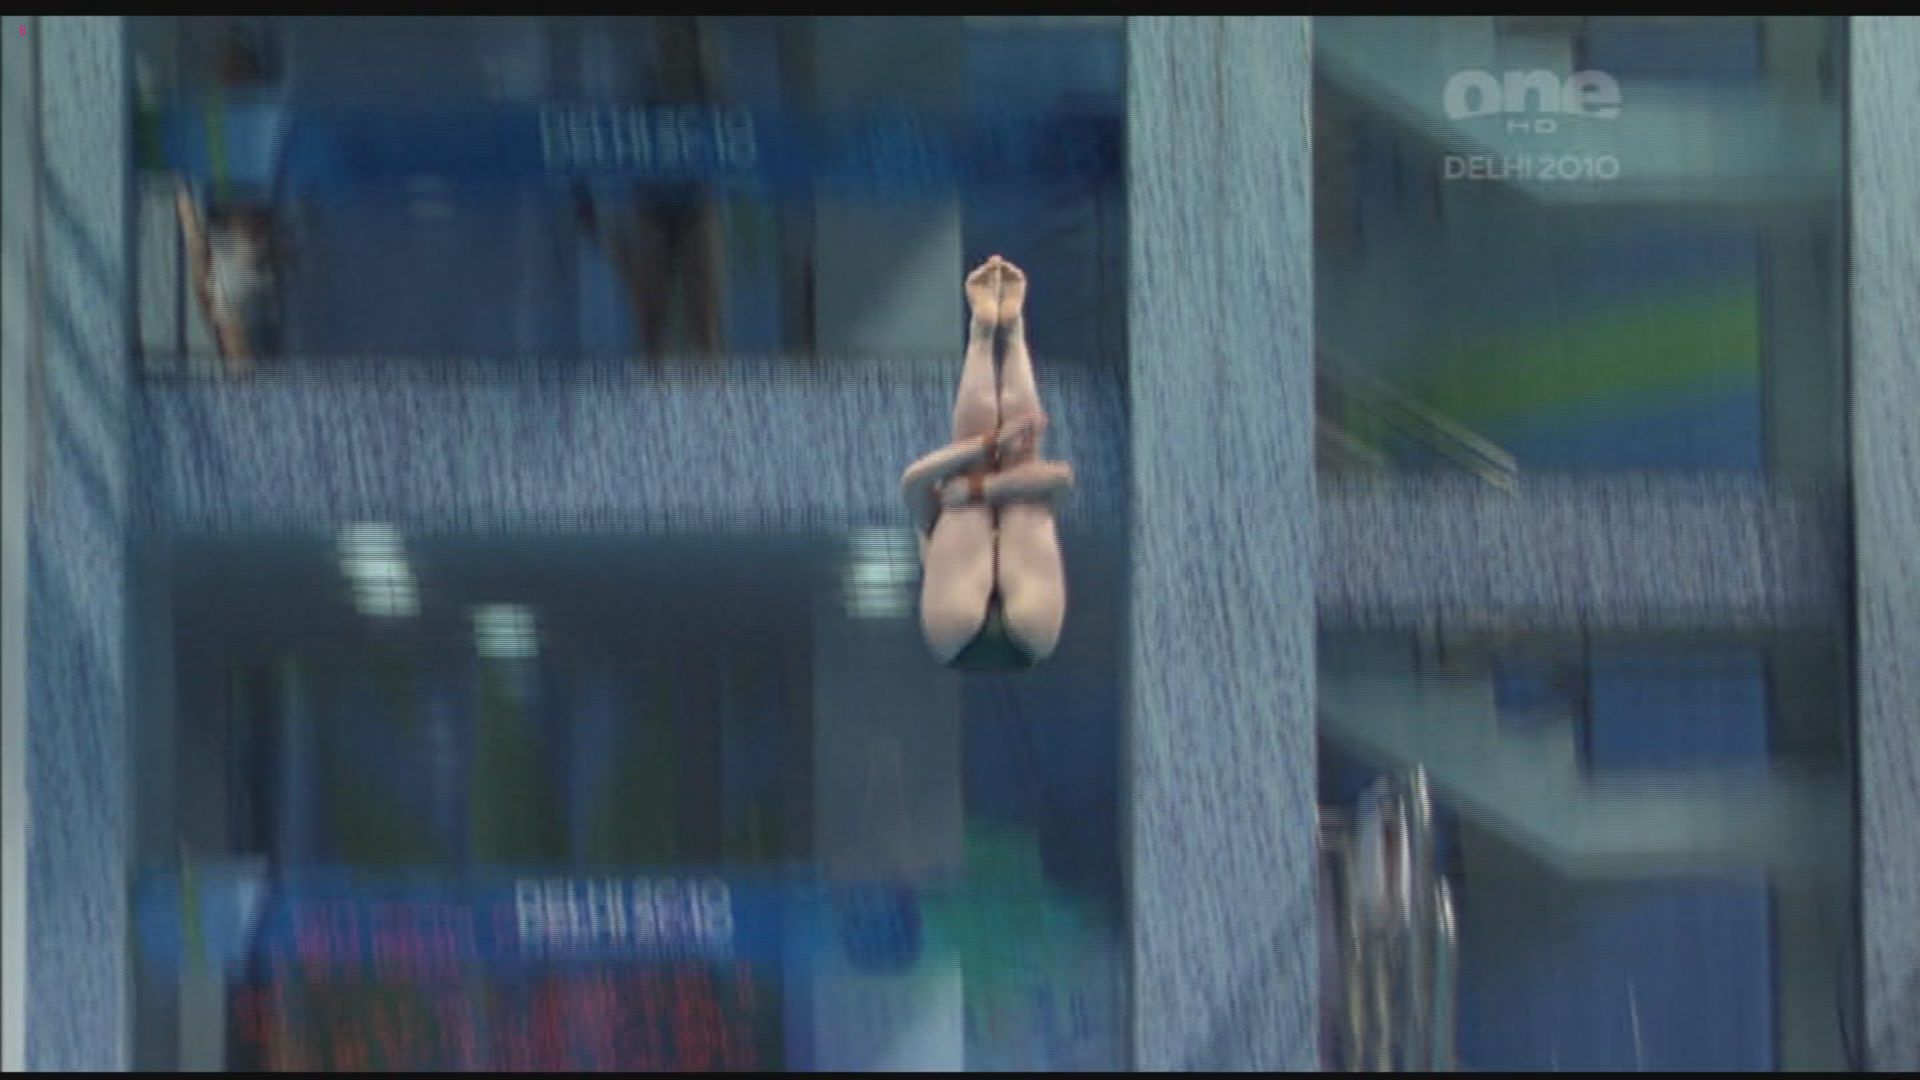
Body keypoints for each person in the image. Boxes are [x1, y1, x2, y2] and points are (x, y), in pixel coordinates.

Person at [901, 256, 1074, 670]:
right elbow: (1061, 478)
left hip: (956, 635)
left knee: (971, 471)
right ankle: (1011, 332)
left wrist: (988, 447)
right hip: (1027, 637)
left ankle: (983, 334)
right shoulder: (1024, 498)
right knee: (1020, 479)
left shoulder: (935, 519)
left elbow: (913, 480)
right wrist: (984, 488)